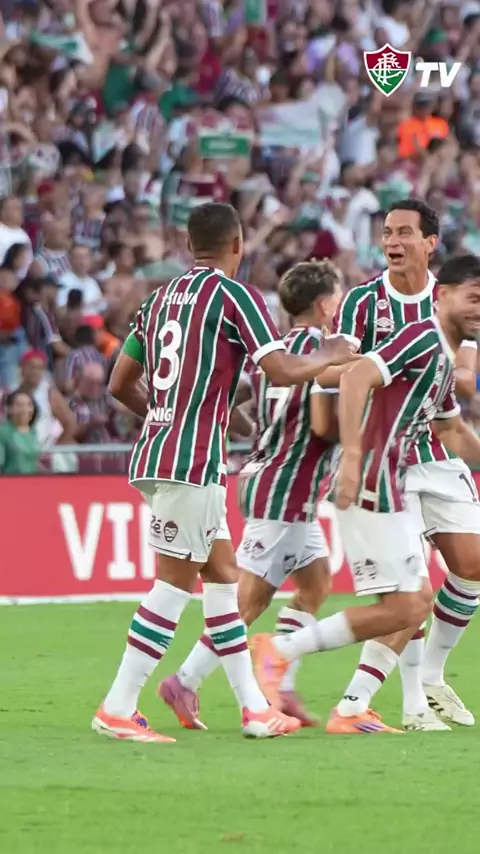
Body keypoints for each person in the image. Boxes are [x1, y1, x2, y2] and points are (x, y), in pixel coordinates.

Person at [92, 201, 356, 743]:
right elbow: (280, 369)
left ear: (191, 246)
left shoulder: (157, 299)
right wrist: (328, 353)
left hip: (163, 453)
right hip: (189, 462)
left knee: (221, 581)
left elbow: (119, 383)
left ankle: (254, 709)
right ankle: (118, 706)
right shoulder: (236, 296)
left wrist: (167, 418)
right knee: (171, 587)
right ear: (238, 245)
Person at [251, 254, 480, 734]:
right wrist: (354, 457)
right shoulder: (422, 337)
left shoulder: (441, 354)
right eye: (473, 298)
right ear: (442, 296)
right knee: (408, 605)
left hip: (389, 479)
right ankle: (281, 652)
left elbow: (451, 430)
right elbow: (354, 376)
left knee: (413, 602)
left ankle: (352, 708)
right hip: (373, 479)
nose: (479, 310)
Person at [158, 259, 344, 730]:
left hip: (278, 482)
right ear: (325, 305)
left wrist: (256, 431)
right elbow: (324, 424)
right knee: (246, 603)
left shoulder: (275, 353)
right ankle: (184, 681)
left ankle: (281, 685)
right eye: (337, 298)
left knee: (316, 583)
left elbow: (235, 396)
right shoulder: (322, 354)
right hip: (284, 488)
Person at [325, 200, 480, 731]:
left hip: (439, 449)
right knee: (411, 590)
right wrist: (383, 364)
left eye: (404, 232)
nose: (392, 241)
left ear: (430, 243)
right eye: (387, 232)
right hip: (386, 456)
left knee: (472, 564)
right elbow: (335, 369)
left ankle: (431, 677)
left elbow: (463, 381)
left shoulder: (456, 297)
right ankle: (383, 704)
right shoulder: (363, 301)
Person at [0, 389, 40, 474]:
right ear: (10, 409)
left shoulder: (33, 432)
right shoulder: (3, 433)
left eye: (29, 405)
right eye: (19, 405)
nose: (25, 409)